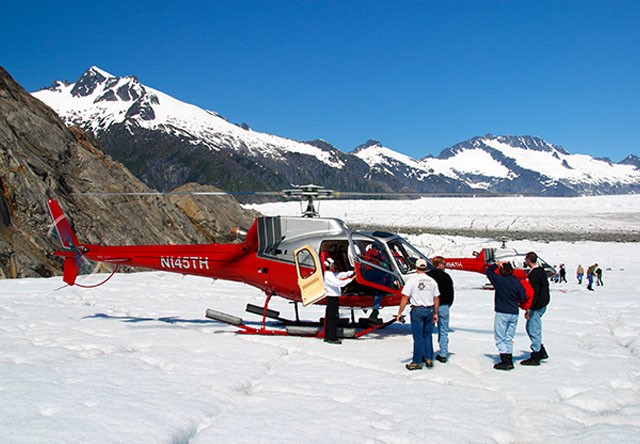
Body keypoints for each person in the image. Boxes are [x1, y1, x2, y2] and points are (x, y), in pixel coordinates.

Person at [396, 258, 440, 370]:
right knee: (427, 335)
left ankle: (417, 361)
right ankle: (429, 358)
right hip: (430, 310)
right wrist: (436, 312)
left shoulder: (412, 280)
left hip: (417, 310)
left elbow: (405, 296)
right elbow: (436, 298)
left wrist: (400, 312)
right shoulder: (432, 281)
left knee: (418, 337)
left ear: (416, 268)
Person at [486, 262, 526, 370]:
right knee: (509, 337)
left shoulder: (499, 280)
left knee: (500, 337)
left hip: (502, 311)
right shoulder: (516, 282)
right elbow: (523, 296)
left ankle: (505, 359)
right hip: (514, 312)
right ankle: (508, 355)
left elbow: (488, 271)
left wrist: (496, 264)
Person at [521, 251, 551, 366]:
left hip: (537, 305)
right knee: (531, 327)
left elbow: (534, 293)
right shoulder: (541, 271)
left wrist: (529, 308)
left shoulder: (534, 274)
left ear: (528, 260)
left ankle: (536, 355)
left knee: (533, 329)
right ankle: (540, 350)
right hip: (542, 303)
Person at [427, 256, 454, 363]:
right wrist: (448, 303)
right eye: (443, 263)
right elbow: (451, 292)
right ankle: (443, 353)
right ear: (438, 264)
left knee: (428, 330)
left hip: (430, 305)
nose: (445, 265)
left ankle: (427, 352)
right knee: (443, 330)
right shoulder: (446, 277)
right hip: (443, 306)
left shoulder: (428, 276)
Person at [322, 257, 355, 344]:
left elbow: (340, 275)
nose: (334, 266)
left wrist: (351, 272)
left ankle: (328, 336)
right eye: (333, 265)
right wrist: (350, 280)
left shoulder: (331, 274)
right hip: (331, 298)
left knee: (331, 317)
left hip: (334, 298)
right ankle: (331, 337)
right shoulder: (328, 275)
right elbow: (338, 283)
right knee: (332, 318)